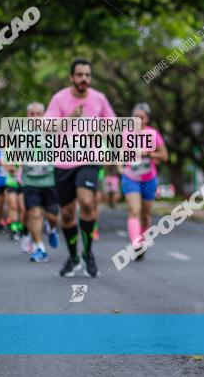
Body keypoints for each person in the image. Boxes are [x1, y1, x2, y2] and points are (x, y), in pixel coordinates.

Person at [45, 58, 116, 278]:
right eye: (79, 74)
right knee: (67, 215)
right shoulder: (59, 99)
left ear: (90, 77)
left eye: (87, 75)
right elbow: (47, 126)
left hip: (90, 159)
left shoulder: (99, 99)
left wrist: (101, 131)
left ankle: (88, 253)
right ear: (71, 77)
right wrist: (70, 118)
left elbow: (113, 125)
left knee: (86, 201)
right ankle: (74, 257)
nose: (83, 78)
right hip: (64, 161)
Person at [119, 103, 167, 261]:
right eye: (135, 117)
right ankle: (136, 244)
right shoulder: (126, 133)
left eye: (142, 117)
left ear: (147, 119)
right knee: (134, 210)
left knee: (145, 216)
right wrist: (120, 167)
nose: (138, 120)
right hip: (131, 178)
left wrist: (148, 154)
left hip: (149, 179)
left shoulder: (153, 134)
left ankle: (142, 242)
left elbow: (164, 156)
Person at [20, 102, 60, 263]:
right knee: (34, 214)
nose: (35, 117)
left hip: (51, 181)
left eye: (39, 114)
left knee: (52, 216)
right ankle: (39, 248)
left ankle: (52, 228)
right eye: (32, 114)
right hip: (30, 182)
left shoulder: (52, 133)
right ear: (27, 116)